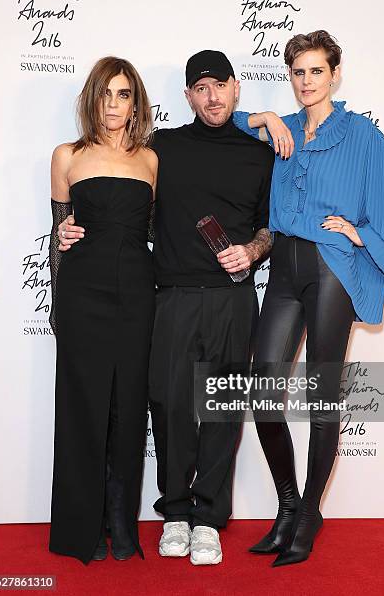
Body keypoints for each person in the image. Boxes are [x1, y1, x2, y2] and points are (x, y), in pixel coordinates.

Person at [57, 50, 275, 565]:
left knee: (221, 413)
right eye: (201, 88)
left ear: (236, 87)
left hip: (233, 298)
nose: (212, 96)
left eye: (220, 86)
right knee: (171, 410)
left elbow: (270, 227)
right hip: (170, 296)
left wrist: (253, 249)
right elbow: (117, 192)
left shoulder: (261, 154)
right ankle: (175, 513)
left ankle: (209, 520)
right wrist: (69, 228)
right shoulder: (160, 149)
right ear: (187, 96)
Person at [232, 30, 384, 566]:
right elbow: (223, 115)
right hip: (284, 271)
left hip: (332, 269)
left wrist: (363, 233)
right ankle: (289, 505)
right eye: (297, 73)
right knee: (263, 388)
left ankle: (311, 511)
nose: (306, 83)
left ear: (335, 74)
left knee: (321, 393)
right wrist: (265, 119)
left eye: (316, 71)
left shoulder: (359, 132)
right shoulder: (284, 129)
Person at [49, 56, 157, 564]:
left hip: (137, 292)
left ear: (135, 103)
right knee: (82, 407)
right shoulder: (67, 155)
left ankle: (121, 521)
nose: (113, 104)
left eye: (124, 94)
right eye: (105, 93)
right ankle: (84, 526)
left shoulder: (151, 161)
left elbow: (154, 232)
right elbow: (58, 235)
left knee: (128, 408)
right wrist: (56, 307)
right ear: (92, 98)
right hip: (81, 294)